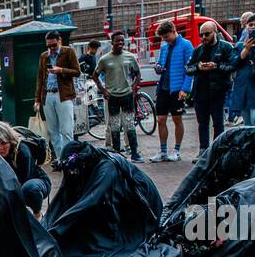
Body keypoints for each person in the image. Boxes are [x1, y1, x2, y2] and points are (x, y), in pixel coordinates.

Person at [185, 21, 235, 159]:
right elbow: (188, 68)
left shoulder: (225, 47)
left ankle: (218, 151)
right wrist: (198, 67)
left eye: (207, 34)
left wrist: (216, 66)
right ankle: (203, 150)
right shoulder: (199, 50)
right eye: (201, 35)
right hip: (201, 91)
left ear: (215, 32)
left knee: (218, 123)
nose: (203, 37)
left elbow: (232, 66)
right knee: (202, 123)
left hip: (217, 91)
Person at [93, 31, 144, 162]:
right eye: (118, 41)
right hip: (112, 97)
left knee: (129, 124)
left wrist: (133, 87)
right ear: (112, 42)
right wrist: (103, 90)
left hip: (127, 95)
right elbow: (95, 75)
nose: (120, 43)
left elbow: (138, 73)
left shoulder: (130, 57)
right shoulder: (105, 59)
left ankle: (134, 153)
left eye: (122, 41)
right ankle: (117, 154)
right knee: (114, 125)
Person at [34, 31, 81, 167]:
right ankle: (61, 158)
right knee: (53, 131)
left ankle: (69, 159)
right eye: (49, 46)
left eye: (54, 45)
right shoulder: (44, 56)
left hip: (63, 95)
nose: (52, 48)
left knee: (66, 130)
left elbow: (77, 72)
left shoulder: (68, 52)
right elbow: (40, 78)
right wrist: (37, 99)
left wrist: (61, 70)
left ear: (59, 40)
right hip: (47, 96)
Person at [151, 20, 193, 162]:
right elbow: (160, 63)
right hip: (163, 87)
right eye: (163, 38)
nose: (165, 40)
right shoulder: (164, 47)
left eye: (167, 36)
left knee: (177, 119)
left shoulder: (186, 45)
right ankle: (163, 151)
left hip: (177, 89)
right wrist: (158, 67)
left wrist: (185, 89)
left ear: (174, 31)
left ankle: (176, 150)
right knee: (161, 119)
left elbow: (190, 69)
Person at [0, 122, 50, 218]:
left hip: (34, 182)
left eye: (4, 143)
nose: (0, 148)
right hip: (10, 184)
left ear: (11, 142)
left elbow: (22, 182)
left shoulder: (22, 152)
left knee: (29, 189)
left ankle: (38, 216)